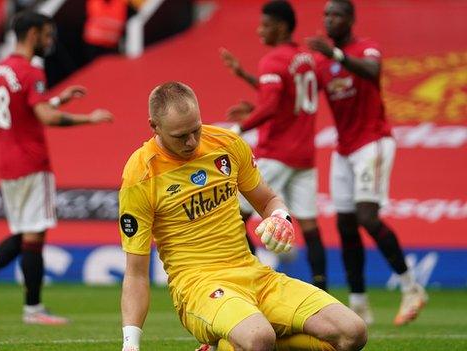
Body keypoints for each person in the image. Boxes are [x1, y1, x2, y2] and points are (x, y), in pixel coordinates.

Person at [119, 81, 366, 351]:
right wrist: (130, 344)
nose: (191, 142)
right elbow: (136, 274)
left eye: (196, 130)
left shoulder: (227, 144)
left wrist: (281, 218)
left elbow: (268, 200)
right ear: (154, 126)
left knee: (352, 333)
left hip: (254, 274)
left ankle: (225, 346)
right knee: (259, 339)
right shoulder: (140, 174)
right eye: (180, 136)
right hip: (199, 286)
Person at [0, 10, 113, 325]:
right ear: (32, 34)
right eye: (47, 35)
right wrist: (89, 118)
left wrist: (58, 100)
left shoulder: (1, 70)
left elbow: (25, 109)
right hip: (32, 161)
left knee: (24, 231)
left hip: (7, 163)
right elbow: (44, 117)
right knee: (34, 236)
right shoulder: (32, 71)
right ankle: (33, 308)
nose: (50, 41)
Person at [306, 0, 427, 326]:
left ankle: (411, 287)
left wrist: (338, 56)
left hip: (372, 142)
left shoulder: (366, 49)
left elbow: (373, 71)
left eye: (337, 15)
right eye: (326, 15)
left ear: (350, 20)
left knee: (367, 218)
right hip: (344, 149)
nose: (330, 20)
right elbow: (301, 96)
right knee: (345, 224)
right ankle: (359, 304)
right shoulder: (321, 64)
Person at [220, 0, 328, 291]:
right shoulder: (307, 59)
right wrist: (244, 76)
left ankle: (257, 281)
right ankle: (324, 291)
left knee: (235, 217)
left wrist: (238, 128)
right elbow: (285, 96)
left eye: (265, 25)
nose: (259, 30)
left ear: (280, 27)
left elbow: (269, 106)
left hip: (277, 152)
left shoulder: (273, 59)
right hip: (305, 155)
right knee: (310, 226)